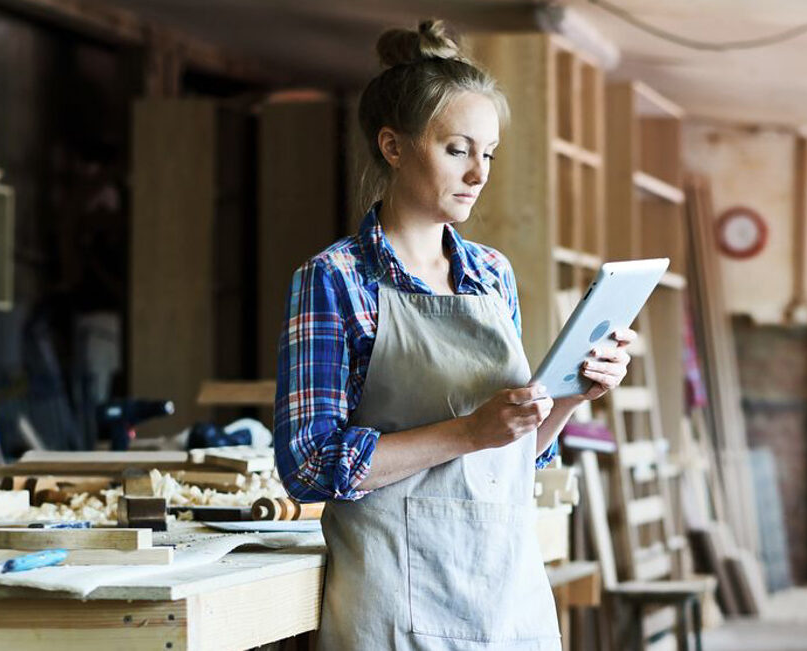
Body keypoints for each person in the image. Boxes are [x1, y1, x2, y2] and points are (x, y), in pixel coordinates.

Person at [272, 20, 635, 650]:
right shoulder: (333, 280)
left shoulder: (491, 275)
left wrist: (574, 394)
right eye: (458, 149)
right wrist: (469, 431)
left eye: (488, 153)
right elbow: (308, 466)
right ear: (393, 145)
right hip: (394, 602)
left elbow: (520, 455)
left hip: (507, 595)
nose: (479, 173)